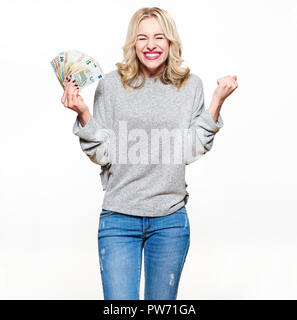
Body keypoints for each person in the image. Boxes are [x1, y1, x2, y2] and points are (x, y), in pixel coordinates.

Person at [61, 7, 238, 300]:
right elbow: (103, 154)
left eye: (159, 37)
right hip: (118, 219)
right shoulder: (110, 85)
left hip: (169, 220)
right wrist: (83, 113)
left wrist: (217, 101)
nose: (151, 45)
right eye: (142, 38)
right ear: (133, 43)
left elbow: (191, 149)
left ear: (171, 42)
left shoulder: (191, 85)